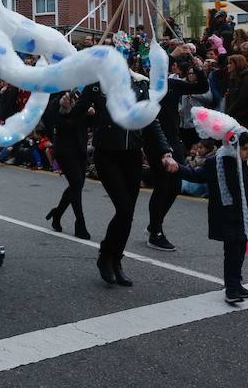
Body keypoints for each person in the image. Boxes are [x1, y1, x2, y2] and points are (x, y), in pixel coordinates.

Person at [170, 109, 248, 304]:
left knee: (240, 250)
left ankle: (236, 282)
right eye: (244, 149)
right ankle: (231, 287)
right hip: (227, 215)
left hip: (246, 215)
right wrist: (177, 168)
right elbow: (197, 175)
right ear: (232, 147)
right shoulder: (217, 163)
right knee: (232, 251)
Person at [85, 73, 174, 287]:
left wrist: (165, 151)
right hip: (106, 154)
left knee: (128, 214)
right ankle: (105, 255)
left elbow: (151, 121)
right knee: (124, 209)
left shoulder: (140, 85)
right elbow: (78, 113)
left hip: (132, 155)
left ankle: (116, 261)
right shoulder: (97, 85)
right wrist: (70, 108)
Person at [145, 55, 208, 251]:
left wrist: (198, 69)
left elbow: (202, 88)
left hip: (174, 139)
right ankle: (155, 232)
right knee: (162, 185)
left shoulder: (173, 84)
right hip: (155, 140)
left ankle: (155, 224)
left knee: (175, 185)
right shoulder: (145, 87)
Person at [44, 89, 96, 240]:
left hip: (80, 147)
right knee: (76, 183)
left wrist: (90, 113)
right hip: (64, 149)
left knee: (77, 185)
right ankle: (80, 224)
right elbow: (55, 124)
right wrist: (66, 110)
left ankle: (57, 213)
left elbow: (87, 123)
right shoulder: (57, 100)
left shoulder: (81, 97)